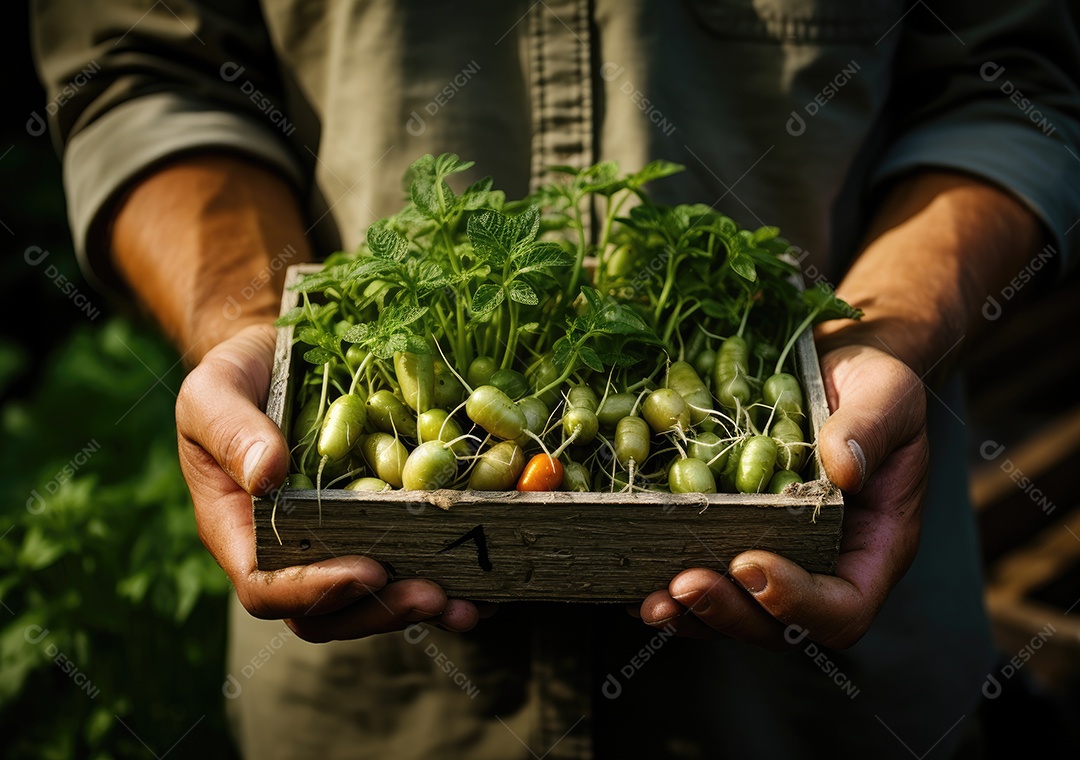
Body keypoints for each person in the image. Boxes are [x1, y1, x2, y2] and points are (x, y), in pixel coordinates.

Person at [31, 1, 1080, 757]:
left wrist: (889, 333)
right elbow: (139, 69)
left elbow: (1012, 86)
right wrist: (246, 322)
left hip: (823, 699)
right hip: (376, 710)